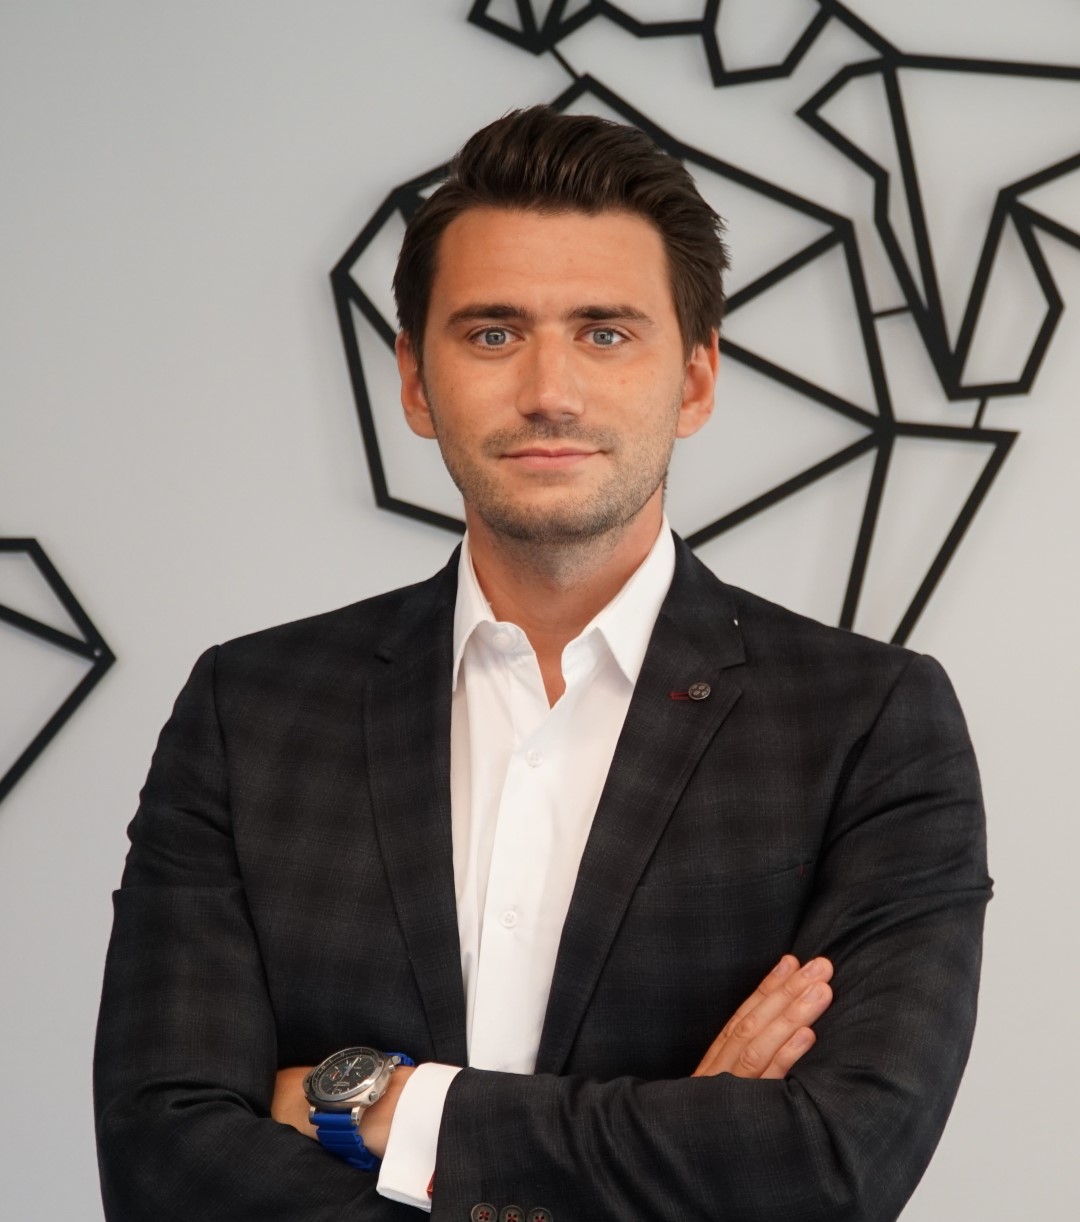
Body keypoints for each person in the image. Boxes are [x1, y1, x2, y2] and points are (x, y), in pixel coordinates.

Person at [94, 107, 991, 1222]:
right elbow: (161, 1161)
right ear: (415, 382)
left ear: (696, 380)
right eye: (492, 334)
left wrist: (392, 1107)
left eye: (606, 333)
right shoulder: (251, 711)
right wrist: (684, 1138)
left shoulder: (870, 722)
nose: (550, 391)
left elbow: (831, 1165)